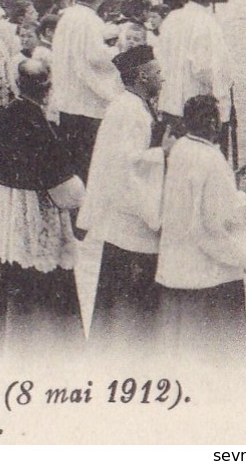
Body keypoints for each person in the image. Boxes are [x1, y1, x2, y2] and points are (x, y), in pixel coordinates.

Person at [0, 58, 84, 360]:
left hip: (8, 218)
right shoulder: (39, 125)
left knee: (13, 276)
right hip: (37, 220)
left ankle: (7, 350)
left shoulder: (5, 116)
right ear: (47, 89)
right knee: (42, 283)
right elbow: (64, 191)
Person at [155, 95, 246, 370]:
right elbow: (217, 221)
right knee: (222, 360)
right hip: (209, 278)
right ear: (214, 123)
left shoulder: (180, 148)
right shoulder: (212, 160)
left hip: (177, 270)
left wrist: (229, 184)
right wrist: (243, 195)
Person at [80, 45, 167, 357]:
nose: (163, 78)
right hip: (132, 221)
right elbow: (132, 166)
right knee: (131, 300)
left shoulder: (132, 104)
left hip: (122, 219)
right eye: (158, 73)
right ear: (142, 76)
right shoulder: (131, 112)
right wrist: (165, 154)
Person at [48, 0, 122, 182]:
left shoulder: (67, 16)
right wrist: (118, 51)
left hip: (66, 97)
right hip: (86, 102)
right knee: (86, 162)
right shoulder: (90, 20)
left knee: (70, 160)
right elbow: (96, 57)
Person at [154, 0, 233, 134]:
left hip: (169, 101)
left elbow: (158, 53)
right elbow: (204, 68)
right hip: (194, 108)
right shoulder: (207, 23)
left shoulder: (172, 18)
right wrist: (223, 91)